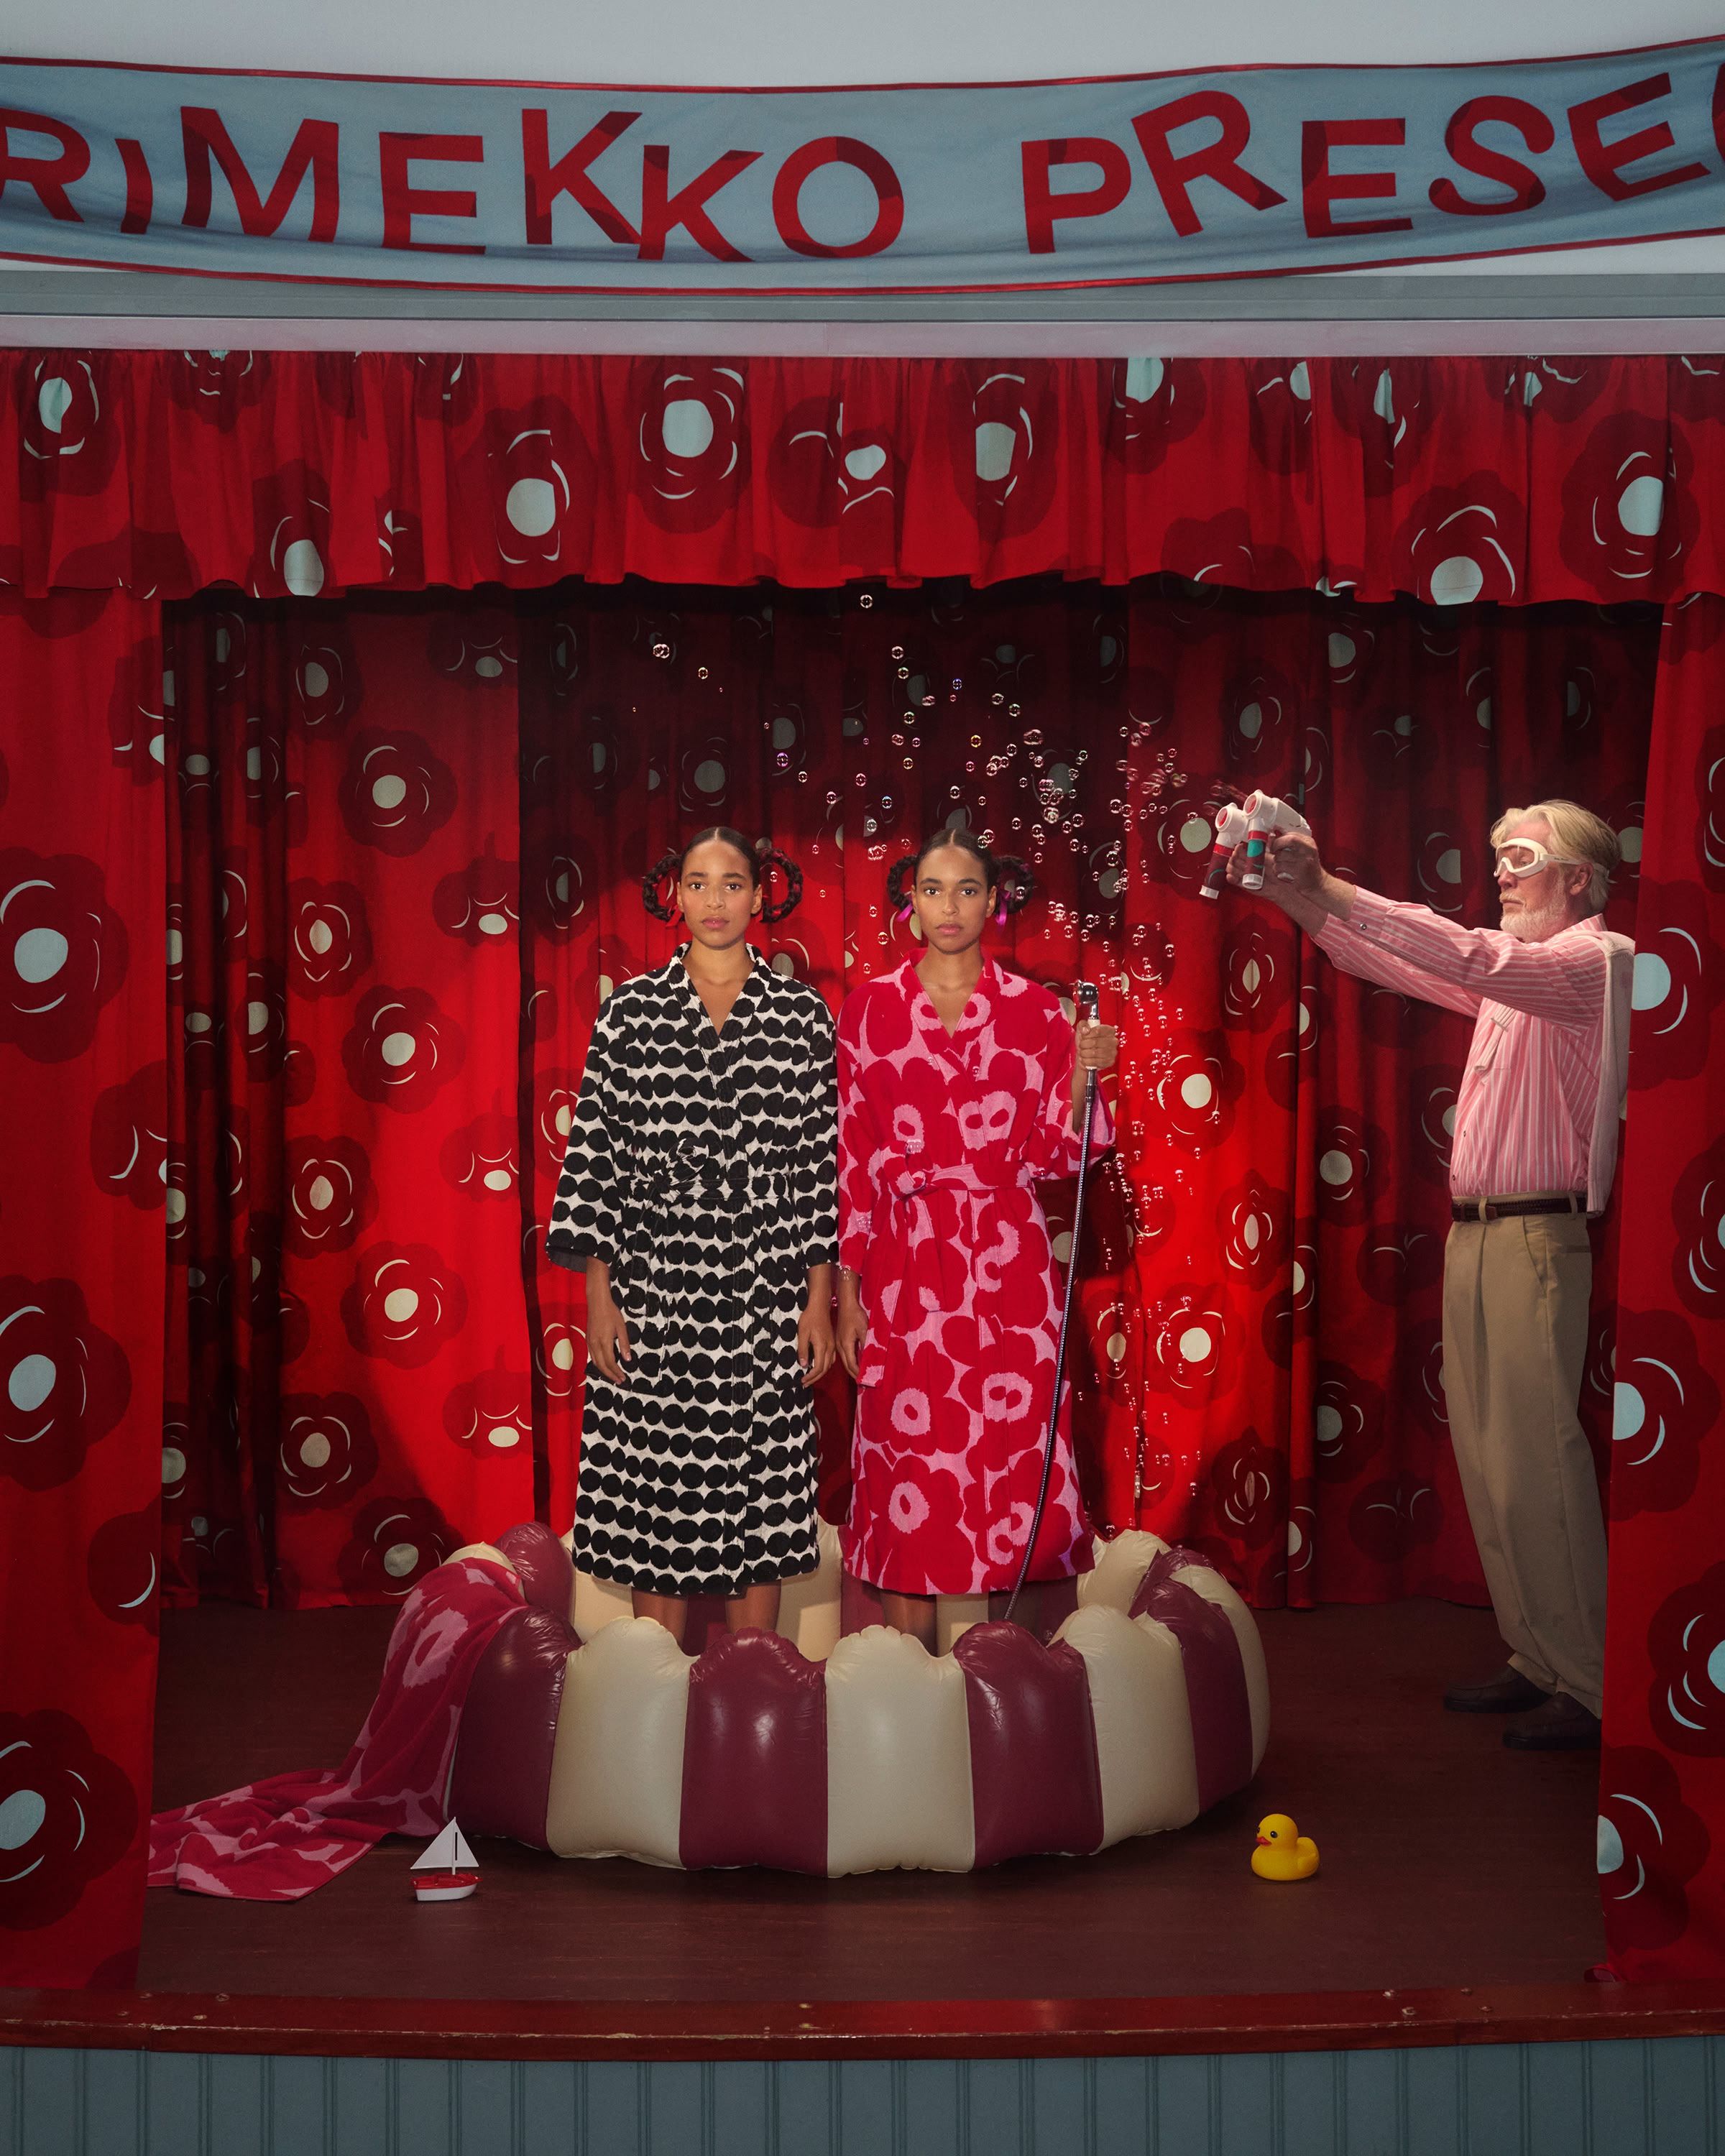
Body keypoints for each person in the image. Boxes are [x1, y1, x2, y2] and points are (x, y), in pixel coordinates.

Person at [1231, 798, 1633, 1751]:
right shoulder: (1524, 979)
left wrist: (1322, 880)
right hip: (1480, 1237)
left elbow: (1468, 957)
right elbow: (1390, 958)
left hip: (1536, 1238)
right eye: (1499, 855)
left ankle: (1589, 1679)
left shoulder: (1593, 961)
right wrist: (1295, 895)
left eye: (1523, 857)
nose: (1502, 873)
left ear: (1578, 877)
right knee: (1495, 1462)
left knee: (1538, 1459)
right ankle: (1540, 1657)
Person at [546, 828, 837, 1645]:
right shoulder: (631, 1012)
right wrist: (600, 1297)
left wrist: (819, 1299)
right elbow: (597, 1156)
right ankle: (657, 1704)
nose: (715, 900)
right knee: (657, 1506)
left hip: (766, 1285)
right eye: (699, 883)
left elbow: (819, 1162)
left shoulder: (798, 1013)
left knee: (764, 1513)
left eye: (733, 883)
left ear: (760, 894)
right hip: (655, 1284)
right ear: (674, 895)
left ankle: (759, 1702)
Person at [834, 830, 1118, 1644]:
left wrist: (1085, 1075)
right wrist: (846, 1295)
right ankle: (907, 1684)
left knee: (1017, 1459)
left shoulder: (1037, 1011)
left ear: (994, 902)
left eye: (966, 890)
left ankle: (1016, 1678)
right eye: (932, 889)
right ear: (910, 904)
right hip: (904, 1264)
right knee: (907, 1468)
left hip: (1010, 1263)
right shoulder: (870, 1008)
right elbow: (851, 1162)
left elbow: (1064, 1156)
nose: (949, 907)